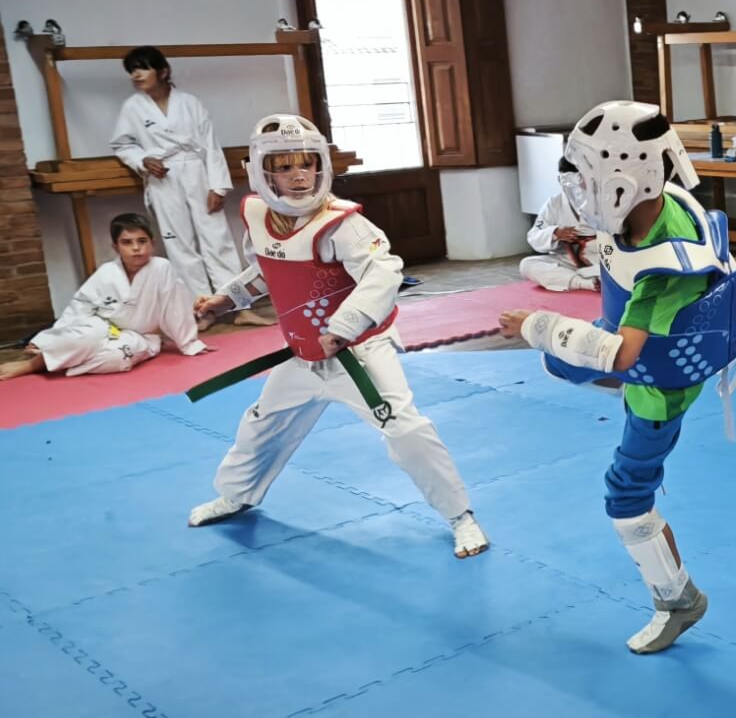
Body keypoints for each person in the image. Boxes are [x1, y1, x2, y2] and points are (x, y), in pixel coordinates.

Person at [499, 101, 736, 653]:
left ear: (622, 180)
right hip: (648, 357)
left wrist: (538, 326)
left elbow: (625, 357)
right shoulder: (655, 206)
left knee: (626, 495)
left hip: (661, 386)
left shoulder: (664, 257)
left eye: (590, 178)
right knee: (574, 360)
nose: (582, 189)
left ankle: (679, 601)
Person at [187, 114, 489, 559]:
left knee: (406, 430)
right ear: (262, 171)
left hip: (359, 353)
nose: (299, 176)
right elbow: (268, 269)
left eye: (307, 164)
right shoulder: (257, 214)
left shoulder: (342, 223)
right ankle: (239, 493)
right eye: (285, 166)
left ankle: (461, 518)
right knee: (261, 422)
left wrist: (341, 328)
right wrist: (227, 300)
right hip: (305, 355)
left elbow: (384, 273)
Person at [109, 46, 271, 330]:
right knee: (180, 247)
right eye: (131, 70)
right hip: (163, 178)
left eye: (142, 68)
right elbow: (123, 144)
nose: (136, 75)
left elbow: (209, 144)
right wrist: (143, 160)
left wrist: (218, 186)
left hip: (197, 172)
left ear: (162, 71)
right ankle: (201, 310)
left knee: (217, 241)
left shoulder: (189, 103)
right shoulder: (132, 108)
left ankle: (238, 306)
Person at [0, 213, 207, 380]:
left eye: (142, 241)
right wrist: (56, 337)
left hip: (140, 336)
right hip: (102, 327)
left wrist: (190, 343)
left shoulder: (162, 268)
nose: (136, 248)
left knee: (116, 358)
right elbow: (80, 306)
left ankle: (57, 360)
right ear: (116, 247)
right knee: (77, 339)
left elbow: (176, 307)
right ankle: (32, 365)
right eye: (127, 242)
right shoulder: (107, 272)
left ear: (152, 243)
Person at [519, 158, 600, 292]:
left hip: (601, 259)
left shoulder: (604, 201)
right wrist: (555, 233)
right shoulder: (554, 203)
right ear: (560, 180)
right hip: (568, 261)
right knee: (527, 264)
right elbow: (534, 237)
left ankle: (594, 279)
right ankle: (583, 283)